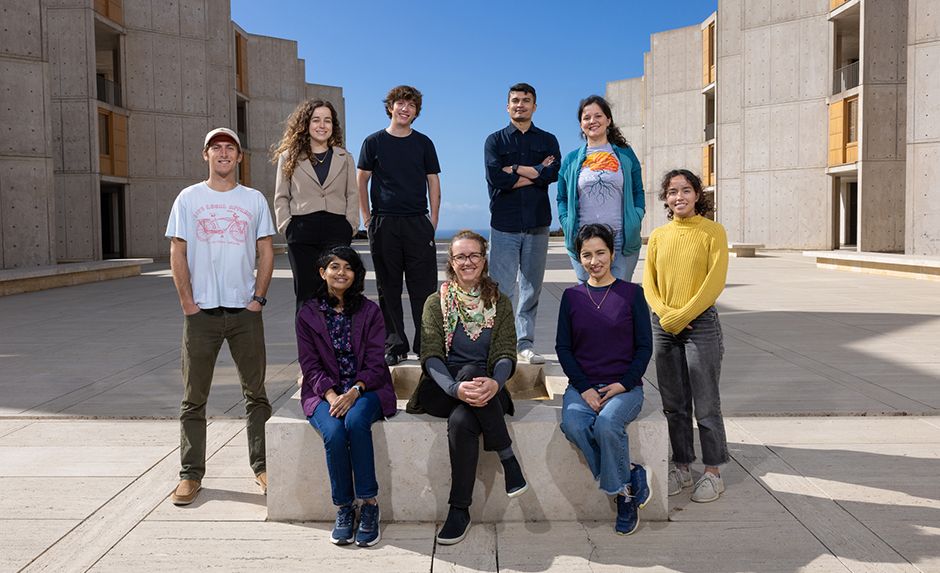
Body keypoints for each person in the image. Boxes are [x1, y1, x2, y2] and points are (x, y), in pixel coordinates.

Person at [166, 128, 275, 505]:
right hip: (202, 315)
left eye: (230, 148)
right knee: (193, 398)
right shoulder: (188, 198)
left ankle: (263, 468)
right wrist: (188, 304)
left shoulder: (254, 199)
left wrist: (258, 299)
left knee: (256, 395)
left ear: (239, 157)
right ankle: (190, 474)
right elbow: (177, 252)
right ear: (206, 155)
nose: (224, 153)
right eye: (217, 148)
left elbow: (266, 251)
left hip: (245, 312)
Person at [405, 230, 528, 545]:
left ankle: (459, 510)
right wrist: (454, 389)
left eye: (474, 255)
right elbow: (430, 355)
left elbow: (505, 353)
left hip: (487, 389)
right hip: (441, 387)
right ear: (451, 262)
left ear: (484, 260)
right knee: (468, 373)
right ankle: (507, 458)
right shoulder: (437, 302)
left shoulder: (500, 303)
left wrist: (496, 382)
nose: (468, 261)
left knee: (462, 419)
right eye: (461, 256)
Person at [556, 224, 653, 535]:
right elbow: (563, 347)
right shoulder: (571, 296)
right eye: (587, 254)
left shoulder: (632, 294)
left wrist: (624, 384)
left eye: (600, 252)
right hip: (583, 385)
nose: (594, 260)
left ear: (612, 254)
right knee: (573, 424)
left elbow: (644, 346)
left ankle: (624, 497)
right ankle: (631, 475)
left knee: (608, 424)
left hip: (625, 386)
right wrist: (584, 388)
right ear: (579, 258)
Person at [297, 246, 397, 547]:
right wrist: (330, 395)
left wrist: (354, 391)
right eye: (334, 266)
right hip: (322, 393)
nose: (341, 273)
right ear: (322, 272)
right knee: (334, 432)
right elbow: (309, 365)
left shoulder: (370, 312)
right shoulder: (308, 314)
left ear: (356, 274)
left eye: (348, 267)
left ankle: (369, 505)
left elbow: (377, 362)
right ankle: (344, 508)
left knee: (354, 422)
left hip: (368, 388)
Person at [643, 169, 730, 503]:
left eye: (686, 190)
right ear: (666, 198)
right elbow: (649, 282)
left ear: (697, 195)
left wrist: (682, 315)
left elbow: (715, 281)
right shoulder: (659, 236)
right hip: (663, 326)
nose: (679, 197)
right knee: (673, 405)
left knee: (706, 404)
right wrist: (666, 315)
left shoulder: (713, 232)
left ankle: (713, 472)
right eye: (672, 191)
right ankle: (681, 466)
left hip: (700, 324)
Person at [358, 85, 441, 366]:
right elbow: (361, 180)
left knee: (425, 288)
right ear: (390, 107)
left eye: (411, 105)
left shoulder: (424, 143)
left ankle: (425, 343)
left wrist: (434, 221)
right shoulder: (374, 142)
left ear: (416, 112)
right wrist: (367, 219)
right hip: (384, 222)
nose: (405, 108)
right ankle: (394, 344)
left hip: (418, 222)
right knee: (388, 287)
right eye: (400, 103)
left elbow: (433, 182)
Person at [484, 83, 561, 365]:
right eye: (515, 101)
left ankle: (524, 344)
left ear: (534, 107)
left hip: (537, 224)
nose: (520, 105)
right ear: (508, 106)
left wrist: (515, 169)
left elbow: (552, 174)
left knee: (531, 288)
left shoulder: (548, 139)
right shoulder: (494, 141)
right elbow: (496, 179)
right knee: (501, 289)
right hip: (504, 225)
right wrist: (536, 172)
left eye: (526, 101)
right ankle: (499, 344)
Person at [273, 99, 359, 314]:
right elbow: (281, 196)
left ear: (333, 126)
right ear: (306, 124)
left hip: (337, 229)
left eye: (327, 121)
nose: (322, 125)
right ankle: (308, 348)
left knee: (337, 293)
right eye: (316, 120)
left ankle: (336, 346)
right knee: (306, 295)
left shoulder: (345, 158)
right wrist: (287, 226)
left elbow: (352, 194)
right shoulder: (288, 156)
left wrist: (350, 225)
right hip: (301, 230)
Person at [557, 95, 645, 283]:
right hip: (583, 240)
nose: (592, 121)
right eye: (586, 118)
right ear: (581, 124)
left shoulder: (626, 154)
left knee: (619, 299)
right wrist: (566, 222)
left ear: (608, 120)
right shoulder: (571, 160)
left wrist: (636, 218)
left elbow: (638, 191)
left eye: (598, 116)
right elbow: (562, 198)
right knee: (589, 301)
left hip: (622, 241)